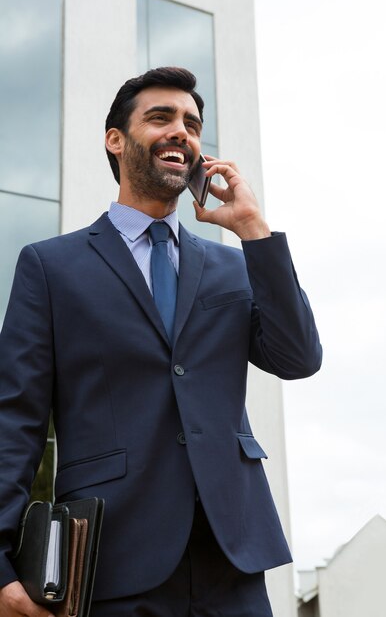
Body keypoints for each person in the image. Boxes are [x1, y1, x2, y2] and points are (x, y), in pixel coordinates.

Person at [0, 67, 322, 617]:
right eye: (161, 118)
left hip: (234, 558)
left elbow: (298, 358)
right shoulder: (51, 267)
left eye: (193, 124)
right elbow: (15, 420)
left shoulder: (233, 264)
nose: (182, 132)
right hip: (111, 559)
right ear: (116, 140)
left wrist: (253, 230)